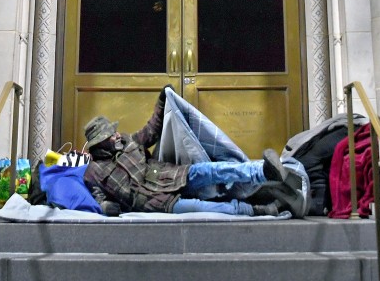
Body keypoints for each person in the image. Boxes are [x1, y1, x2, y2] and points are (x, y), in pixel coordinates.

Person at [82, 86, 287, 217]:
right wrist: (104, 206)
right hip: (155, 202)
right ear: (100, 142)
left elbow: (151, 130)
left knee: (212, 171)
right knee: (204, 208)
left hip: (170, 175)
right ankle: (258, 210)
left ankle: (262, 172)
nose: (116, 135)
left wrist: (162, 102)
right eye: (111, 135)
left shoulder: (128, 140)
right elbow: (97, 196)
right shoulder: (93, 172)